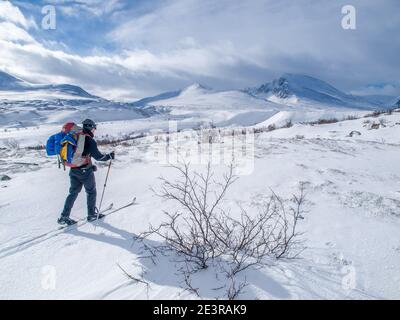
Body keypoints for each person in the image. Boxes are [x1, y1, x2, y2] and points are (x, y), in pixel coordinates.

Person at [58, 119, 115, 226]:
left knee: (73, 193)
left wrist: (90, 165)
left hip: (74, 169)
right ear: (90, 127)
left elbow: (81, 155)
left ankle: (64, 216)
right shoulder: (89, 140)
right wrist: (109, 156)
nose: (94, 130)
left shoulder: (76, 136)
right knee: (91, 192)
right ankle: (91, 214)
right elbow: (99, 157)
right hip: (85, 171)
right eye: (94, 128)